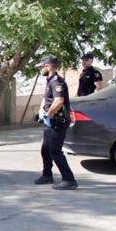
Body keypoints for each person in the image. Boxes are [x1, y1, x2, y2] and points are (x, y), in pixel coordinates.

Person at [34, 56, 78, 190]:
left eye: (42, 66)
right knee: (45, 149)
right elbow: (46, 98)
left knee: (55, 151)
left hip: (57, 121)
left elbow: (59, 101)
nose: (41, 69)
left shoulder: (57, 82)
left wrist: (49, 114)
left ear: (48, 66)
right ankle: (47, 175)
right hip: (50, 121)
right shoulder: (50, 80)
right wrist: (42, 110)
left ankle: (69, 180)